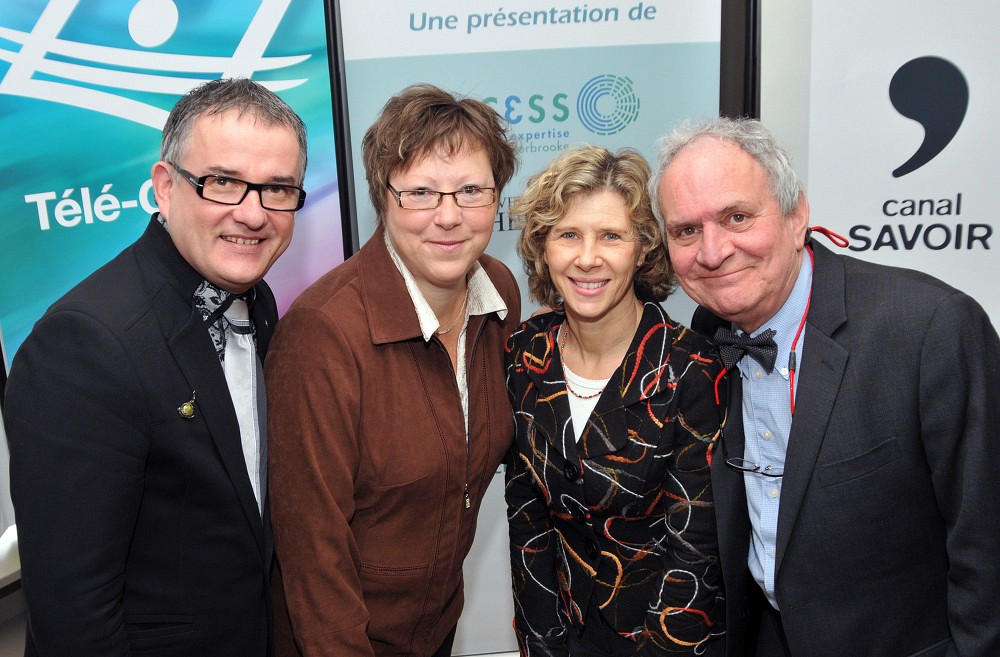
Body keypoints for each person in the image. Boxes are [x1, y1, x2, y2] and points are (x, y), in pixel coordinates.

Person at [650, 116, 1000, 657]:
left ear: (797, 217)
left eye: (737, 217)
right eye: (686, 231)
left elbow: (987, 542)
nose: (713, 251)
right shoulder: (706, 336)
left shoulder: (930, 328)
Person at [4, 78, 308, 655]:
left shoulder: (258, 300)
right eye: (223, 183)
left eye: (278, 189)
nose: (253, 214)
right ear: (165, 188)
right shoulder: (82, 344)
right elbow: (74, 618)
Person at [265, 83, 520, 657]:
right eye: (421, 192)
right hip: (344, 639)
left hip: (434, 625)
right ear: (384, 197)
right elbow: (313, 552)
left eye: (471, 191)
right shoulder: (323, 334)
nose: (448, 217)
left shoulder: (499, 294)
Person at [505, 145, 727, 656]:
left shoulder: (691, 369)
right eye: (568, 235)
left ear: (644, 247)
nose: (587, 258)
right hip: (559, 632)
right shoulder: (524, 352)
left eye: (611, 235)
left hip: (668, 636)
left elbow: (695, 550)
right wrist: (543, 642)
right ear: (543, 248)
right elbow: (526, 512)